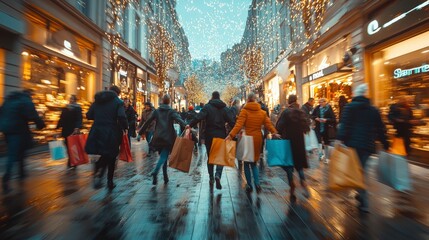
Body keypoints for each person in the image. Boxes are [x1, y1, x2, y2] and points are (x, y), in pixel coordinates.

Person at [337, 84, 389, 212]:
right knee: (362, 170)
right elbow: (381, 128)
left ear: (355, 94)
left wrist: (339, 139)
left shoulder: (349, 107)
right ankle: (361, 194)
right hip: (367, 145)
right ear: (366, 94)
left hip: (352, 145)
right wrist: (385, 143)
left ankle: (364, 199)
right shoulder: (373, 109)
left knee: (358, 171)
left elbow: (345, 125)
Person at [226, 93, 279, 193]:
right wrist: (274, 132)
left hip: (247, 138)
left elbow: (238, 125)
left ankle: (249, 184)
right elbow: (268, 124)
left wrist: (230, 135)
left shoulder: (244, 111)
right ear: (255, 100)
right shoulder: (262, 112)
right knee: (254, 162)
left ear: (247, 100)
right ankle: (257, 184)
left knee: (246, 163)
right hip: (258, 138)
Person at [0, 89, 45, 193]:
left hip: (6, 130)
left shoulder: (9, 100)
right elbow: (33, 115)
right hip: (18, 130)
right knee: (13, 154)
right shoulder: (26, 100)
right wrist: (41, 125)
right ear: (29, 94)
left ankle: (21, 173)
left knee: (20, 150)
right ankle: (6, 179)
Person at [188, 91, 235, 190]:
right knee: (220, 157)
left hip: (209, 134)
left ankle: (211, 178)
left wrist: (190, 124)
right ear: (219, 97)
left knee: (210, 157)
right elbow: (232, 121)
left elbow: (198, 117)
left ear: (212, 97)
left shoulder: (207, 107)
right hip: (221, 134)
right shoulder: (224, 108)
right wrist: (234, 133)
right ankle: (218, 174)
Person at [85, 86, 128, 190]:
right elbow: (121, 116)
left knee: (106, 154)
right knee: (112, 156)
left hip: (97, 131)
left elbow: (89, 115)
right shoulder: (118, 102)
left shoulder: (98, 100)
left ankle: (100, 174)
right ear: (117, 93)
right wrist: (125, 127)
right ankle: (109, 180)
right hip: (111, 132)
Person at [138, 94, 187, 185]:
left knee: (162, 155)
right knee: (164, 156)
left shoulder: (157, 111)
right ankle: (155, 172)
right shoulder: (171, 111)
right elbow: (179, 119)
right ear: (168, 102)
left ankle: (165, 176)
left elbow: (147, 121)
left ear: (162, 101)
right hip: (168, 137)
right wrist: (186, 126)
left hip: (158, 137)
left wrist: (140, 133)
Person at [276, 95, 311, 202]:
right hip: (299, 142)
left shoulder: (286, 112)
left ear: (289, 101)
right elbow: (307, 128)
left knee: (289, 165)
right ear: (296, 101)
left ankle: (292, 186)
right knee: (299, 165)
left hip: (288, 142)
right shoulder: (301, 112)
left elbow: (279, 126)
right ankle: (303, 182)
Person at [56, 95, 83, 169]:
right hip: (66, 128)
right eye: (70, 99)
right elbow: (62, 118)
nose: (71, 100)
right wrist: (58, 126)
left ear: (75, 100)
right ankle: (71, 160)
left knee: (73, 146)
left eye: (72, 99)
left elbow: (79, 118)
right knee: (67, 145)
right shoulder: (65, 107)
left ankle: (73, 161)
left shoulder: (77, 108)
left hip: (73, 129)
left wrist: (77, 127)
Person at [311, 98, 336, 162]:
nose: (320, 104)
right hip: (318, 127)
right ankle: (320, 155)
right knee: (319, 142)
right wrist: (316, 118)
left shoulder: (329, 108)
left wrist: (326, 120)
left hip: (326, 128)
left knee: (326, 143)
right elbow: (312, 115)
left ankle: (327, 157)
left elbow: (333, 119)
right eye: (319, 102)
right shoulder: (317, 108)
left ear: (325, 102)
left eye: (321, 102)